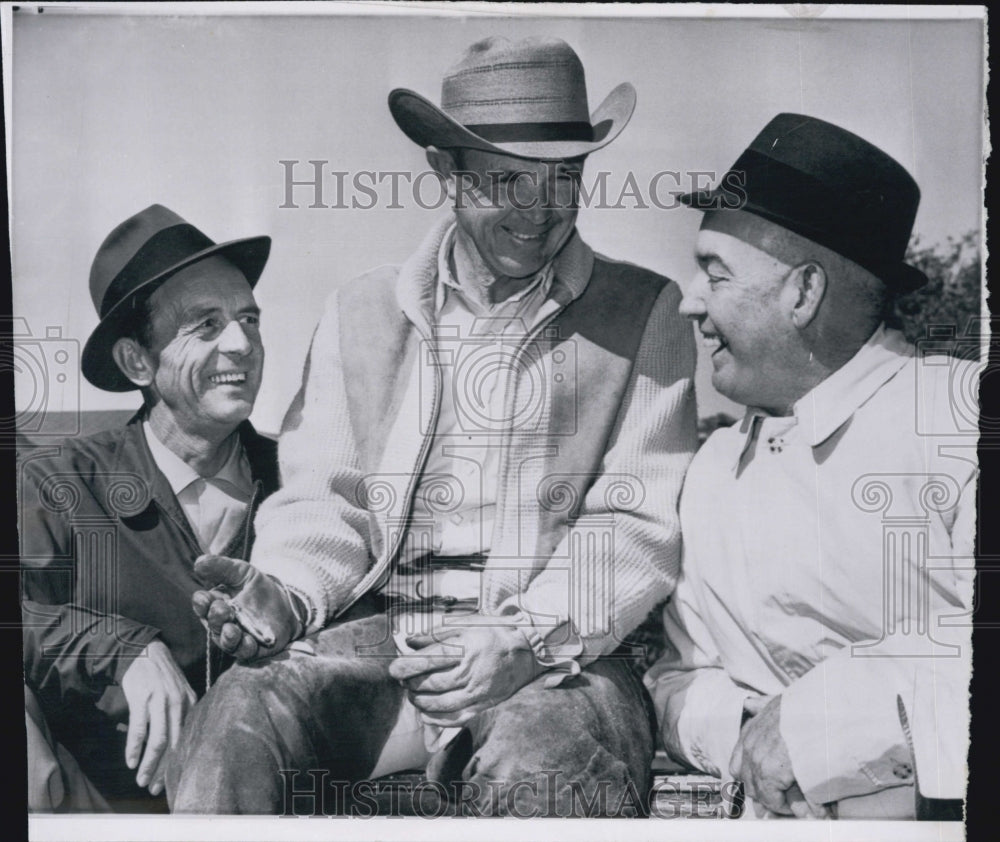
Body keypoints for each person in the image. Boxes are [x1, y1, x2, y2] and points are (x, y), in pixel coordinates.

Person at [168, 36, 698, 816]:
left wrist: (529, 638)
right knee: (238, 713)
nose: (539, 210)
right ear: (445, 171)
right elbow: (328, 500)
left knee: (540, 761)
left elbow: (634, 525)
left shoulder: (647, 312)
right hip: (385, 647)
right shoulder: (361, 311)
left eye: (565, 178)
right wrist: (287, 595)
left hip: (562, 663)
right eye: (506, 180)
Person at [645, 114, 976, 819]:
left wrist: (833, 727)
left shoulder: (961, 421)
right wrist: (741, 734)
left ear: (803, 293)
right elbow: (681, 675)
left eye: (714, 271)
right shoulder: (711, 469)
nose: (687, 301)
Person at [21, 205, 279, 811]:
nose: (242, 344)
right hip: (111, 806)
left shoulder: (302, 481)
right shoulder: (61, 483)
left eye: (249, 318)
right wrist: (120, 646)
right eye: (206, 324)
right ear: (138, 362)